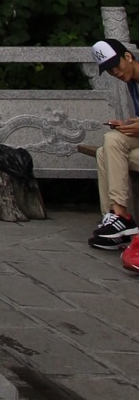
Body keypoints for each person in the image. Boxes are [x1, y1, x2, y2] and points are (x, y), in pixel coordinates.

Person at [90, 39, 139, 249]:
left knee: (112, 141)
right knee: (104, 151)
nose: (115, 72)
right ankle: (113, 220)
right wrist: (128, 124)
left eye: (116, 66)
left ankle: (120, 217)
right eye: (109, 70)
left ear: (128, 56)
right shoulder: (133, 82)